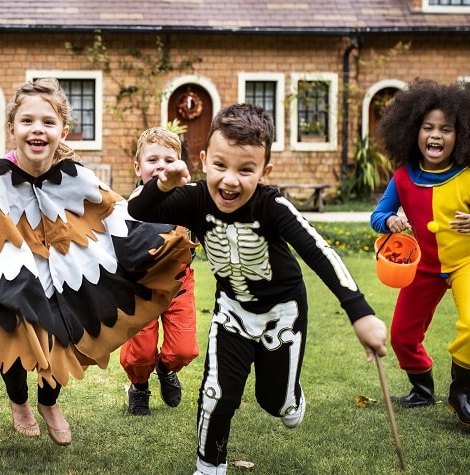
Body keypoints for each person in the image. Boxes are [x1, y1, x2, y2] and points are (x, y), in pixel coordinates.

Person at [0, 78, 194, 446]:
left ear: (63, 130)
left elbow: (120, 215)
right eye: (27, 121)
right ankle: (19, 401)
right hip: (13, 277)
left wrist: (162, 195)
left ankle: (49, 403)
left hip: (62, 275)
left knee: (60, 341)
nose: (38, 129)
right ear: (12, 129)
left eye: (48, 122)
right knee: (15, 341)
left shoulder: (77, 179)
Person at [127, 103, 388, 474]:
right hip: (231, 312)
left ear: (265, 172)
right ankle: (208, 467)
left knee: (274, 402)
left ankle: (289, 399)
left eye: (245, 169)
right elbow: (136, 210)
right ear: (203, 160)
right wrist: (162, 185)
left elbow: (318, 251)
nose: (230, 180)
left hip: (282, 314)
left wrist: (359, 312)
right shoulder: (193, 199)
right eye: (220, 166)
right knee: (216, 397)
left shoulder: (272, 206)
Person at [370, 78, 470, 425]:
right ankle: (422, 388)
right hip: (422, 267)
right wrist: (390, 223)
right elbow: (378, 216)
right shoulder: (402, 178)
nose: (436, 135)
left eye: (446, 129)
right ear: (413, 131)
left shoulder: (468, 175)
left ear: (461, 135)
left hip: (464, 263)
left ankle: (462, 392)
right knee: (402, 335)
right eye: (428, 127)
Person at [121, 127, 199, 416]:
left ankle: (166, 369)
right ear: (138, 166)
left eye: (169, 160)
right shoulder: (129, 207)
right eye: (153, 160)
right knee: (140, 352)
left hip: (179, 282)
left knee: (184, 349)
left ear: (179, 165)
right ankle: (139, 386)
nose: (161, 167)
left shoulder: (189, 202)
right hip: (140, 286)